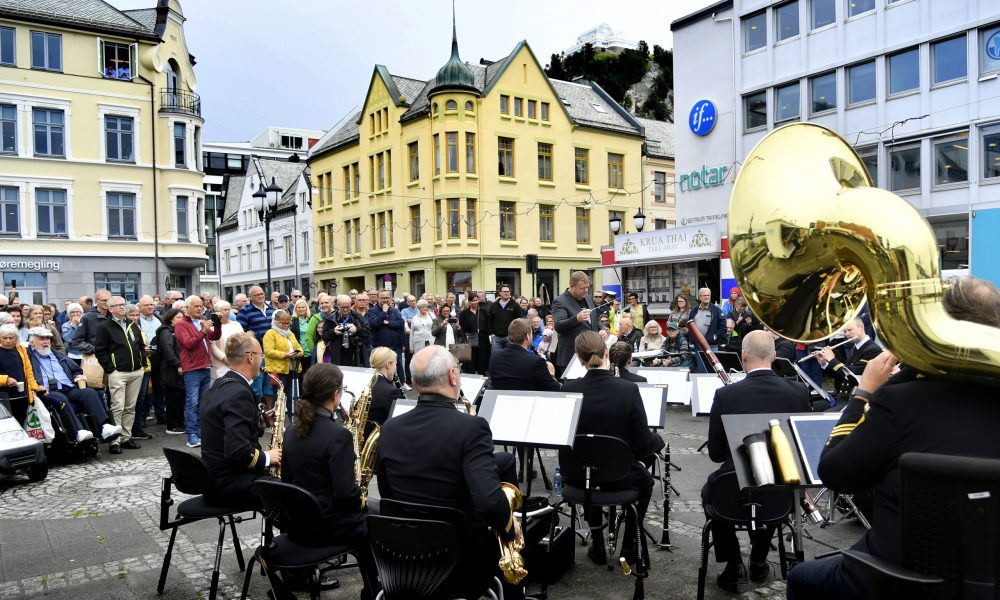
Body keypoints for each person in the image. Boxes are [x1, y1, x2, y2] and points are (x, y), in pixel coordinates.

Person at [786, 276, 1000, 599]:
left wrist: (863, 394)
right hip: (991, 577)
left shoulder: (902, 401)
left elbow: (834, 472)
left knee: (803, 578)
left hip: (899, 576)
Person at [376, 345, 522, 600]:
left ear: (412, 382)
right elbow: (489, 501)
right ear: (453, 376)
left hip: (404, 560)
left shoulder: (390, 427)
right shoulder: (471, 427)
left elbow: (388, 494)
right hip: (461, 565)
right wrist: (511, 531)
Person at [704, 330, 812, 590]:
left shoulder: (726, 395)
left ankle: (733, 564)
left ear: (742, 356)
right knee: (773, 491)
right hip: (784, 483)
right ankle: (759, 560)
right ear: (774, 356)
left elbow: (716, 453)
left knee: (713, 490)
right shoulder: (799, 391)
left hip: (736, 486)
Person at [560, 331, 664, 565]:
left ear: (579, 359)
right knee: (646, 483)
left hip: (577, 477)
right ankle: (629, 544)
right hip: (620, 476)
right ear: (607, 354)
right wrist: (656, 442)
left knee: (589, 470)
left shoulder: (568, 389)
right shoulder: (627, 390)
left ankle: (598, 544)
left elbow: (562, 438)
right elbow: (643, 442)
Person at [280, 363, 379, 598]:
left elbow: (287, 479)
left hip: (298, 525)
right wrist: (364, 502)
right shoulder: (337, 435)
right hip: (327, 527)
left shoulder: (291, 429)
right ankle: (376, 588)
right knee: (379, 518)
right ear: (336, 393)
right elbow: (346, 496)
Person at [201, 332, 281, 510]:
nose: (262, 361)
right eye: (261, 356)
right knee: (293, 493)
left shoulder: (221, 383)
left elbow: (221, 426)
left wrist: (256, 422)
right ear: (250, 357)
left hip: (214, 477)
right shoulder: (239, 392)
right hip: (230, 482)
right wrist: (267, 457)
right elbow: (237, 451)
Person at [26, 327, 122, 443]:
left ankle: (104, 427)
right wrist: (36, 386)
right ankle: (78, 431)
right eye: (42, 339)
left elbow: (75, 369)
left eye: (48, 339)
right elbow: (26, 376)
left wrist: (78, 375)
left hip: (68, 387)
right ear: (31, 342)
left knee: (89, 393)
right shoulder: (28, 357)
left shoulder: (57, 354)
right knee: (61, 398)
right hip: (47, 391)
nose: (46, 342)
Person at [95, 296, 147, 455]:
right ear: (111, 309)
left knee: (130, 407)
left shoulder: (133, 324)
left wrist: (142, 364)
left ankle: (126, 437)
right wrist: (111, 369)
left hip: (136, 371)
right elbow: (100, 350)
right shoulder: (105, 327)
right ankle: (115, 440)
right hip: (118, 373)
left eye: (123, 304)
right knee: (117, 407)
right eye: (118, 305)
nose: (123, 307)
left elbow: (140, 345)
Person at [815, 317, 882, 403]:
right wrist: (824, 363)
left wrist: (832, 359)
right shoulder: (857, 347)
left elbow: (850, 374)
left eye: (850, 330)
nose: (847, 334)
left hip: (855, 399)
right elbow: (840, 374)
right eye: (845, 331)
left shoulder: (872, 350)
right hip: (842, 396)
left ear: (861, 327)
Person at [488, 318, 560, 392]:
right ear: (527, 336)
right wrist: (551, 374)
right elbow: (555, 389)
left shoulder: (495, 356)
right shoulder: (536, 361)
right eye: (531, 333)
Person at [551, 271, 600, 376]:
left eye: (587, 287)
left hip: (592, 355)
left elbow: (595, 319)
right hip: (571, 356)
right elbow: (559, 326)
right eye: (582, 288)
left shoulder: (587, 298)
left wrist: (603, 329)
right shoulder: (560, 301)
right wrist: (577, 319)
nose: (586, 291)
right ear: (571, 286)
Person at [262, 309, 303, 417]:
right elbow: (268, 351)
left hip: (292, 369)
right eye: (283, 323)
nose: (286, 325)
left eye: (288, 322)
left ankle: (292, 422)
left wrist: (298, 353)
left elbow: (299, 347)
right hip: (278, 370)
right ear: (276, 321)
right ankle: (277, 422)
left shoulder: (290, 334)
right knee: (279, 398)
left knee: (292, 396)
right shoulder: (270, 333)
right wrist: (285, 355)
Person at [236, 286, 274, 398]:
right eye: (257, 294)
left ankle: (269, 413)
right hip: (256, 353)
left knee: (270, 386)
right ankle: (255, 411)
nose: (261, 296)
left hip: (271, 352)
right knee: (257, 384)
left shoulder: (271, 309)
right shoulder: (245, 311)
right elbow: (241, 333)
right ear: (251, 297)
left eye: (262, 293)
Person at [156, 309, 187, 435]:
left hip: (181, 368)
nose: (181, 319)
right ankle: (172, 425)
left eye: (182, 317)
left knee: (181, 398)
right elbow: (168, 351)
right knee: (172, 398)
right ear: (171, 319)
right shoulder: (166, 331)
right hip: (170, 369)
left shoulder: (178, 330)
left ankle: (180, 423)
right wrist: (177, 365)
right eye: (178, 317)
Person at [136, 296, 165, 428]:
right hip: (144, 357)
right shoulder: (136, 320)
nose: (150, 307)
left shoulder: (159, 319)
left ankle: (160, 414)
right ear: (140, 307)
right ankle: (142, 416)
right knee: (143, 390)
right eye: (146, 305)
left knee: (159, 387)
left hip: (158, 356)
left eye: (152, 304)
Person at [321, 294, 370, 368]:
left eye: (347, 307)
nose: (345, 309)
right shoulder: (330, 318)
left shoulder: (357, 317)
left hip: (355, 355)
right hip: (338, 355)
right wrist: (333, 331)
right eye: (342, 307)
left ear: (351, 305)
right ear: (337, 306)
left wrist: (356, 330)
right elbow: (324, 336)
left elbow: (368, 333)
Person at [367, 289, 404, 381]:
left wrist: (388, 323)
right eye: (382, 298)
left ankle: (402, 383)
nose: (385, 300)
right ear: (378, 299)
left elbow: (401, 323)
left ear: (390, 298)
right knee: (382, 368)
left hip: (395, 346)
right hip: (380, 347)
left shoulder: (394, 311)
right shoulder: (372, 311)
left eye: (387, 297)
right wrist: (383, 313)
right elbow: (374, 324)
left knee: (398, 365)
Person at [367, 346, 404, 436]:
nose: (395, 368)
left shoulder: (364, 383)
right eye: (395, 364)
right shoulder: (391, 392)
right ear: (388, 364)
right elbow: (400, 421)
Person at [210, 301, 243, 380]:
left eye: (229, 309)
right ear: (217, 312)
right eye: (225, 310)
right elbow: (213, 346)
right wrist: (225, 359)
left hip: (237, 361)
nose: (228, 312)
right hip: (221, 364)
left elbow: (243, 340)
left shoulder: (236, 324)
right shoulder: (211, 327)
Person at [486, 284, 522, 351]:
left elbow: (519, 321)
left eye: (508, 291)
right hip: (496, 337)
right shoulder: (494, 305)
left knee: (509, 358)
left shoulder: (515, 305)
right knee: (496, 357)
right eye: (504, 291)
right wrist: (492, 333)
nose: (506, 293)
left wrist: (514, 334)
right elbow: (489, 320)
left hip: (510, 337)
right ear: (500, 292)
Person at [289, 299, 314, 380]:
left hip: (310, 351)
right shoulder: (292, 320)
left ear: (306, 308)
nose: (301, 309)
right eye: (299, 307)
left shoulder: (311, 319)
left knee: (310, 374)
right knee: (300, 375)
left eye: (303, 307)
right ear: (295, 309)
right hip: (299, 351)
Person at [458, 295, 481, 377]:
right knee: (470, 364)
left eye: (476, 300)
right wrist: (465, 340)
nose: (475, 302)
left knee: (481, 363)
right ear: (469, 301)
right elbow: (462, 329)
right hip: (469, 341)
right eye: (473, 300)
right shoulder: (464, 313)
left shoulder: (482, 311)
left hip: (481, 341)